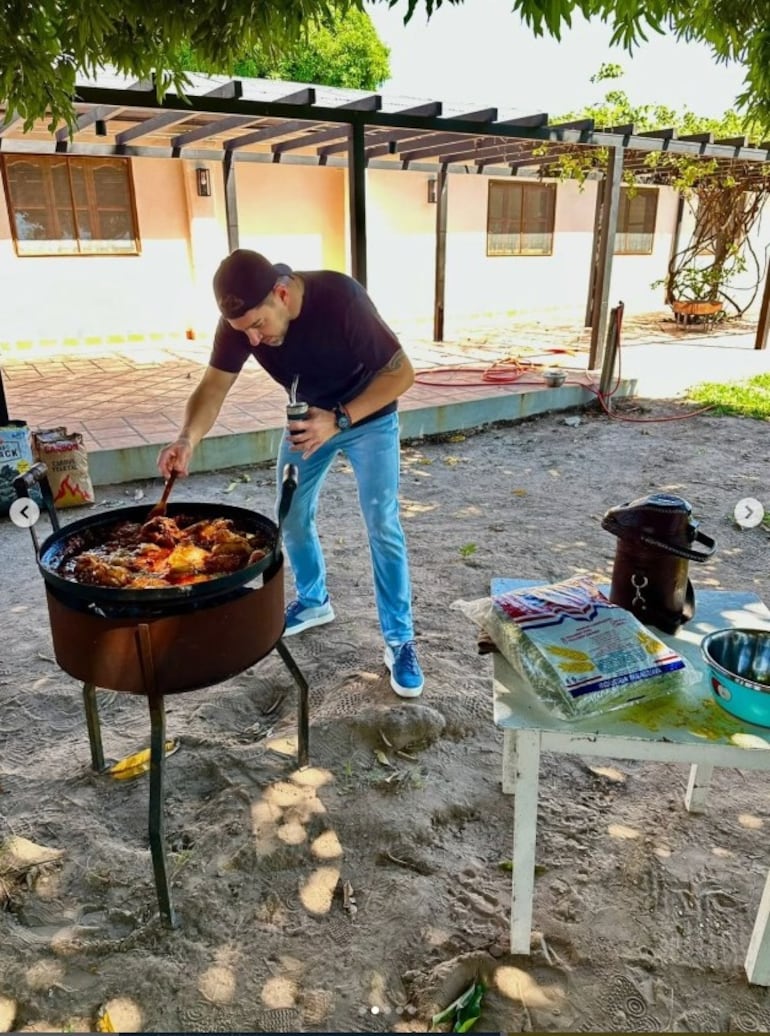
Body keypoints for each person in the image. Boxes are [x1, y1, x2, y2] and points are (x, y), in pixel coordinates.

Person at [157, 249, 424, 698]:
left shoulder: (341, 299)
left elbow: (401, 374)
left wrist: (340, 419)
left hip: (368, 417)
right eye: (244, 332)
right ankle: (314, 600)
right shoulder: (240, 323)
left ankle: (400, 640)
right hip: (306, 420)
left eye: (258, 325)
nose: (253, 340)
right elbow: (213, 386)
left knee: (382, 521)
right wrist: (186, 439)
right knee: (291, 512)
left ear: (281, 294)